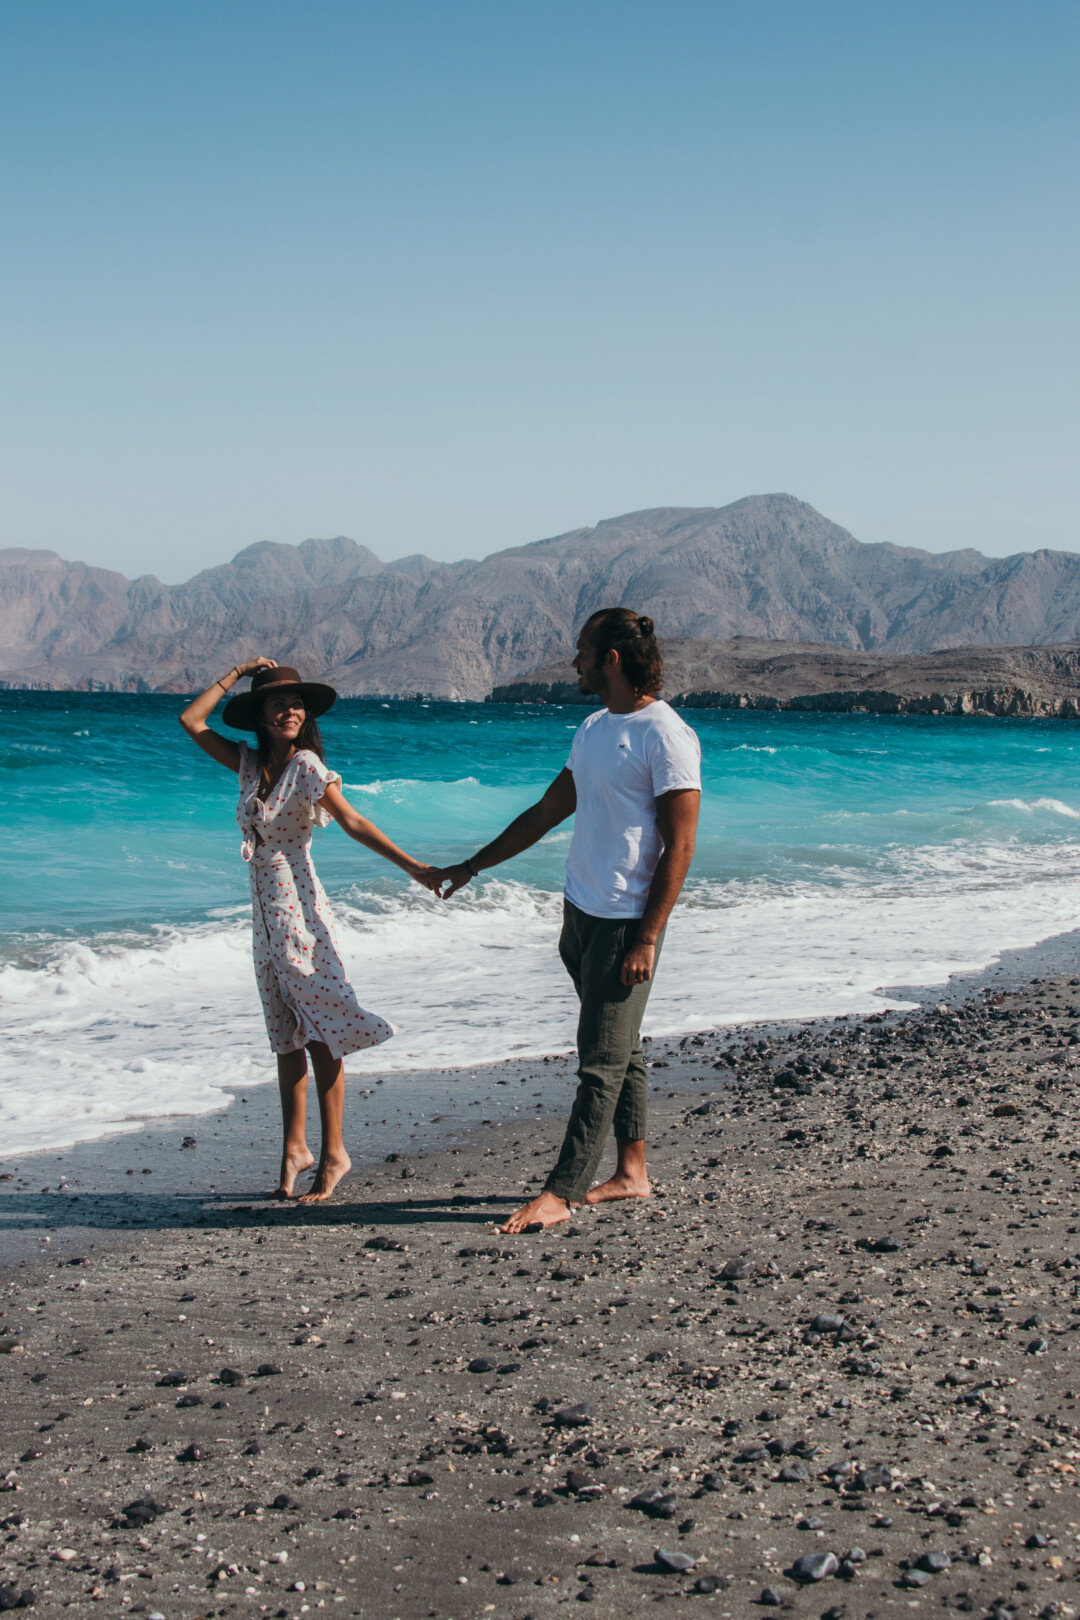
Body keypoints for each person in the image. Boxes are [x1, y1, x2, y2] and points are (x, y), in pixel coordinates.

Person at [434, 609, 701, 1233]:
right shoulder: (593, 728)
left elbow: (680, 846)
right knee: (621, 1048)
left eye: (581, 650)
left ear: (610, 657)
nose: (573, 661)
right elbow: (546, 810)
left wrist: (647, 938)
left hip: (623, 922)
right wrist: (473, 865)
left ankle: (560, 1192)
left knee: (598, 1064)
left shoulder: (667, 735)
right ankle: (632, 1174)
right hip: (580, 915)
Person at [180, 659, 438, 1202]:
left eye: (296, 703)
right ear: (260, 715)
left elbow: (353, 821)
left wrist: (414, 867)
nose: (289, 710)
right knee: (284, 1033)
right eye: (277, 702)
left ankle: (335, 1151)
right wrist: (239, 670)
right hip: (264, 919)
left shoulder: (307, 767)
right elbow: (192, 721)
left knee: (321, 1027)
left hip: (300, 912)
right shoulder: (250, 765)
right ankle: (294, 1148)